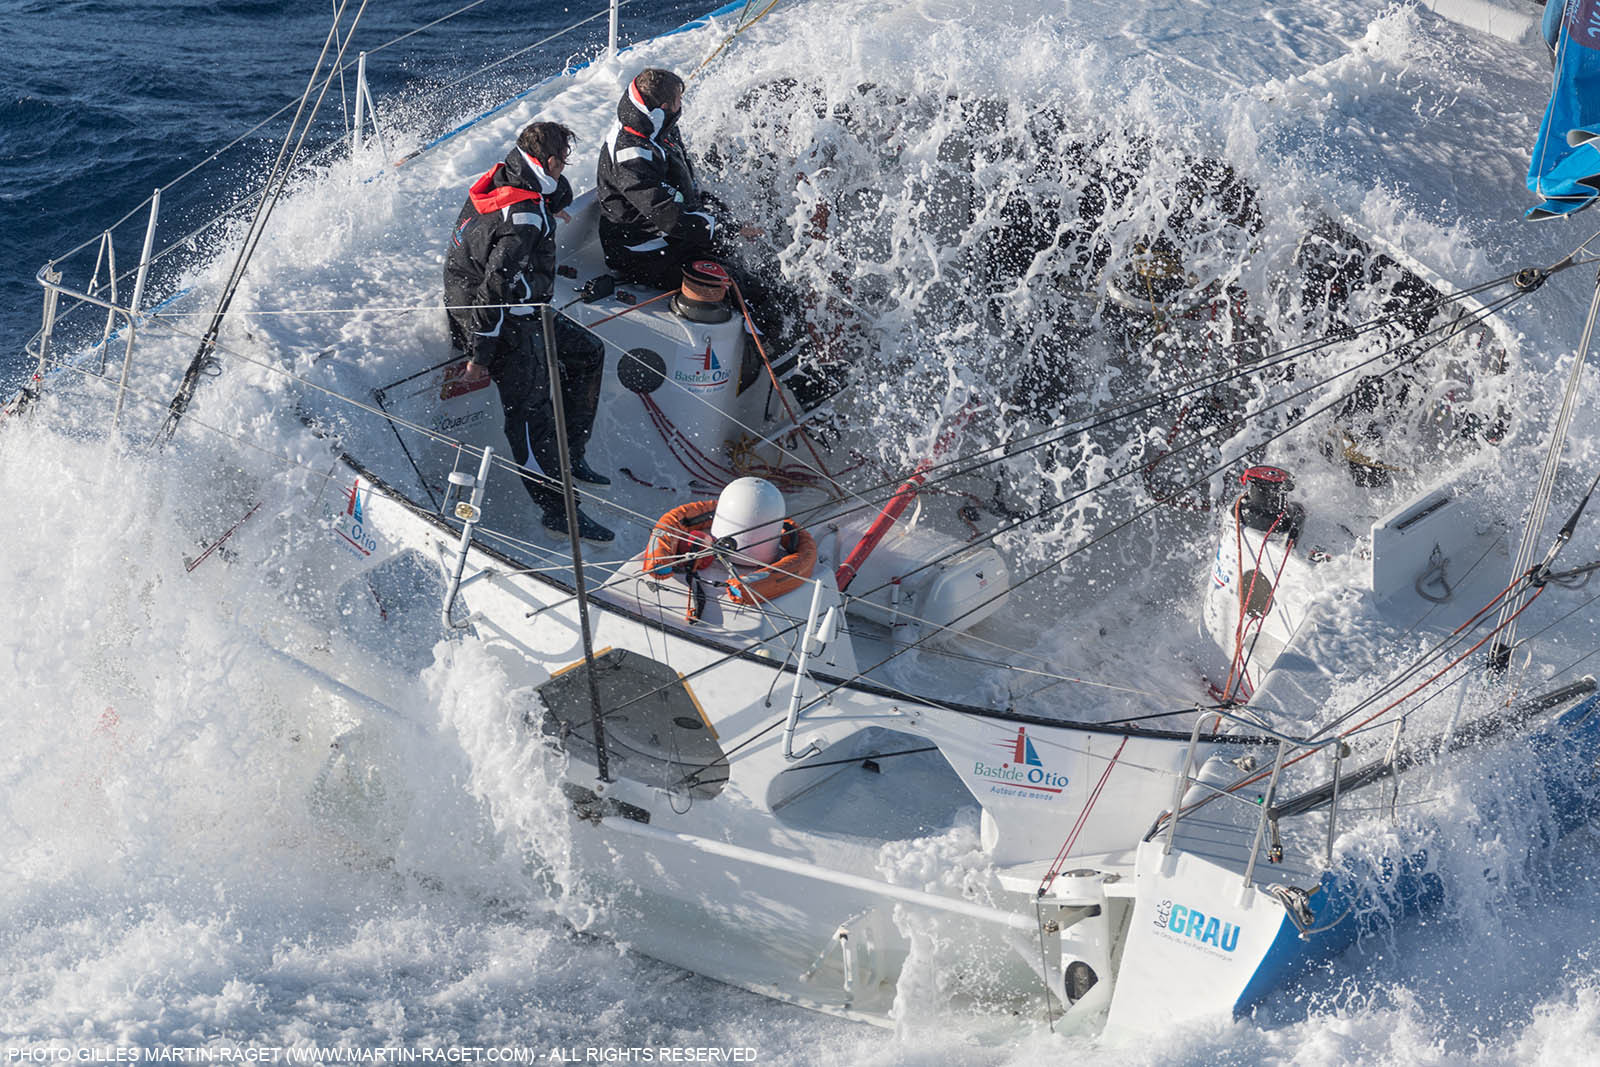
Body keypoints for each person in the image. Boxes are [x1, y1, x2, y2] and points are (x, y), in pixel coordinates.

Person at [444, 120, 615, 543]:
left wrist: (552, 199)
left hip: (521, 305)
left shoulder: (508, 174)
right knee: (530, 414)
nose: (565, 169)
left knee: (588, 352)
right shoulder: (523, 219)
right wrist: (480, 356)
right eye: (563, 162)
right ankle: (559, 511)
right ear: (551, 161)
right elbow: (494, 289)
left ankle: (570, 455)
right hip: (496, 320)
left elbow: (557, 194)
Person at [595, 69, 767, 296]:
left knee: (742, 257)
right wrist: (729, 228)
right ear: (664, 107)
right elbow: (668, 216)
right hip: (643, 253)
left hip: (670, 234)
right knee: (752, 292)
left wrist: (722, 219)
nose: (681, 105)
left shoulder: (655, 127)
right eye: (679, 100)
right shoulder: (631, 156)